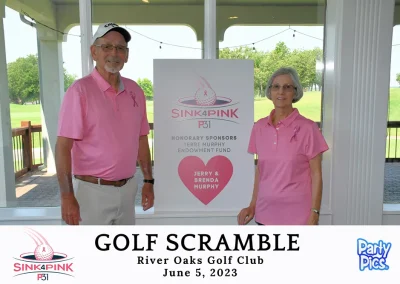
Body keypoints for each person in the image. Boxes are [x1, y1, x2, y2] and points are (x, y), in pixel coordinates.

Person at [55, 23, 154, 225]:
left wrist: (148, 181)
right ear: (94, 52)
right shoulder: (79, 91)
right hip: (91, 193)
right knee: (89, 255)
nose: (114, 53)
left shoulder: (136, 91)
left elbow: (141, 138)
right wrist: (66, 195)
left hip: (127, 190)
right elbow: (63, 146)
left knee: (122, 255)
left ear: (126, 55)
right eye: (107, 46)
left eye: (120, 48)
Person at [237, 67, 328, 225]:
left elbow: (316, 174)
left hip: (298, 217)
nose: (281, 92)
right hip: (265, 214)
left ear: (295, 92)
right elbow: (261, 171)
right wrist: (253, 205)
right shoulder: (259, 127)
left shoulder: (308, 128)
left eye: (287, 87)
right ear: (270, 91)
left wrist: (315, 212)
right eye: (276, 87)